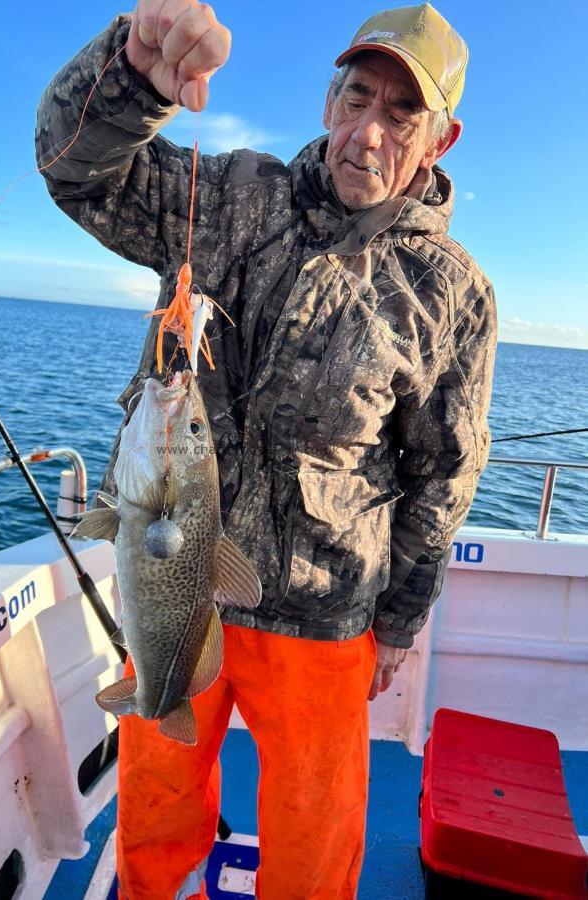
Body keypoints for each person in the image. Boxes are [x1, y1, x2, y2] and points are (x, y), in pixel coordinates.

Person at [36, 2, 496, 897]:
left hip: (322, 617)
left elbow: (443, 472)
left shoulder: (453, 293)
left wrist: (399, 620)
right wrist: (131, 73)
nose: (367, 132)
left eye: (400, 114)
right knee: (155, 795)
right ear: (328, 102)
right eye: (356, 96)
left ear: (440, 140)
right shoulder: (236, 197)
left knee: (314, 835)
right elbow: (77, 172)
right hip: (173, 588)